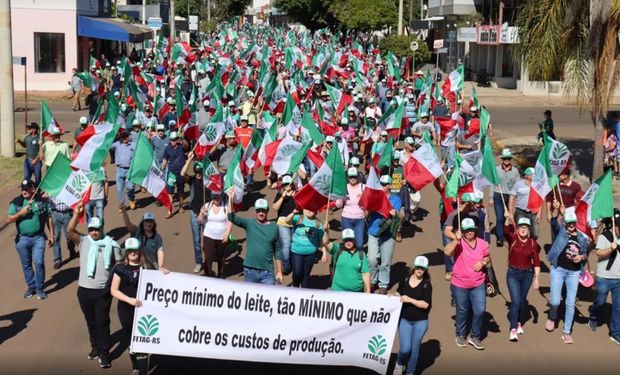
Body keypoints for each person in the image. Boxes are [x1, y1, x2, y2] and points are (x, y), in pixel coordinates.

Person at [67, 205, 122, 369]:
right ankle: (95, 347)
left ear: (102, 228)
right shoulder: (84, 241)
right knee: (90, 321)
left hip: (102, 290)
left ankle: (105, 353)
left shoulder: (112, 244)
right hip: (84, 290)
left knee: (102, 321)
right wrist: (76, 214)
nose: (94, 232)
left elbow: (118, 265)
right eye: (91, 229)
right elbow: (70, 230)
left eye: (97, 229)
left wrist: (112, 284)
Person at [109, 238, 164, 375]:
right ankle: (136, 366)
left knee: (141, 342)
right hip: (126, 310)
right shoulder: (120, 268)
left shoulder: (148, 267)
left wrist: (164, 273)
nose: (133, 253)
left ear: (140, 251)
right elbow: (114, 290)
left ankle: (142, 371)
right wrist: (130, 300)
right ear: (126, 252)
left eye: (135, 250)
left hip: (144, 311)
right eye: (130, 250)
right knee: (130, 342)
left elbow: (159, 284)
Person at [444, 217, 491, 350]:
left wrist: (483, 262)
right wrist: (455, 239)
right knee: (463, 310)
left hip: (478, 283)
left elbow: (487, 257)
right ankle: (460, 334)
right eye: (466, 230)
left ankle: (474, 336)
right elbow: (447, 252)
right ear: (462, 231)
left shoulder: (482, 243)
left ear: (475, 230)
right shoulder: (458, 243)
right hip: (459, 284)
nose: (469, 232)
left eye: (471, 229)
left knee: (480, 310)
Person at [545, 208, 590, 344]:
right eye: (569, 223)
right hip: (558, 270)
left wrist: (581, 257)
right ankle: (552, 317)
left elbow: (586, 253)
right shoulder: (561, 232)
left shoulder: (581, 237)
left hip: (574, 273)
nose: (571, 225)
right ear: (565, 223)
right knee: (555, 302)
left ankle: (566, 332)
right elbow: (554, 223)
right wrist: (557, 210)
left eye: (573, 223)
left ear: (576, 222)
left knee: (570, 303)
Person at [7, 180, 54, 300]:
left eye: (26, 188)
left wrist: (51, 235)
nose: (24, 191)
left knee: (38, 262)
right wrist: (21, 213)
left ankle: (40, 288)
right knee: (26, 264)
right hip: (22, 239)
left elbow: (49, 218)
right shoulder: (17, 202)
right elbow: (9, 219)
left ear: (33, 189)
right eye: (22, 188)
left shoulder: (42, 201)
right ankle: (31, 286)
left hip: (38, 238)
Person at [227, 195, 283, 284]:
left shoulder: (274, 227)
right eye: (258, 210)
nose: (261, 213)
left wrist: (279, 271)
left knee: (269, 296)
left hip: (267, 272)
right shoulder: (249, 223)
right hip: (250, 271)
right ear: (255, 211)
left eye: (263, 210)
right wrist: (230, 198)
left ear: (267, 210)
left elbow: (277, 251)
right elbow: (230, 217)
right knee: (249, 297)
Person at [393, 256, 432, 375]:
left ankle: (410, 372)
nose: (420, 270)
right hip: (405, 319)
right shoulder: (405, 279)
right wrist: (392, 295)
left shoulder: (427, 285)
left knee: (415, 350)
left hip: (421, 322)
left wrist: (409, 299)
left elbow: (426, 305)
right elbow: (399, 291)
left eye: (423, 268)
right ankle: (399, 364)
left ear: (426, 270)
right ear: (414, 267)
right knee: (405, 349)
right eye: (418, 267)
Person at [504, 217, 541, 342]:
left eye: (525, 227)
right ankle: (513, 329)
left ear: (529, 229)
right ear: (518, 228)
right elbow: (505, 231)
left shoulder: (532, 243)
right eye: (521, 227)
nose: (523, 229)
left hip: (527, 275)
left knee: (522, 300)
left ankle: (519, 322)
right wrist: (507, 219)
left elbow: (536, 261)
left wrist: (536, 278)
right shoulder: (513, 238)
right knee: (515, 302)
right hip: (513, 274)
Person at [367, 175, 402, 294]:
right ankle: (372, 281)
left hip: (388, 234)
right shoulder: (375, 197)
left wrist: (394, 214)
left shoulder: (396, 199)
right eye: (380, 183)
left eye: (384, 184)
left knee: (385, 261)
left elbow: (396, 214)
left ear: (390, 186)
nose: (381, 186)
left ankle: (383, 284)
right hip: (373, 231)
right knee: (372, 259)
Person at [589, 212, 620, 344]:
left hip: (619, 279)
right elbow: (599, 253)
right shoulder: (605, 236)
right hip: (604, 278)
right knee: (600, 302)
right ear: (615, 226)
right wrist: (610, 249)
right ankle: (594, 317)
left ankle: (615, 332)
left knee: (618, 306)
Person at [181, 154, 210, 273]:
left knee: (207, 241)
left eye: (200, 171)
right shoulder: (192, 180)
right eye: (196, 171)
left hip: (206, 215)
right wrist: (189, 160)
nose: (198, 173)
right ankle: (199, 262)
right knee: (197, 242)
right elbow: (182, 174)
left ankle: (208, 261)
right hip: (194, 214)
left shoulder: (208, 183)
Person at [285, 208, 326, 288]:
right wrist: (293, 213)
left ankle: (304, 292)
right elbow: (287, 220)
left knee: (306, 274)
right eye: (307, 208)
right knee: (297, 272)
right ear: (303, 209)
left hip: (311, 253)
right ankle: (295, 287)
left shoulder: (318, 224)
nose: (309, 211)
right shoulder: (298, 218)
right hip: (296, 251)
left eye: (312, 209)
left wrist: (324, 253)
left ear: (315, 212)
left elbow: (321, 241)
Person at [322, 228, 371, 292]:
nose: (348, 242)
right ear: (343, 240)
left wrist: (368, 290)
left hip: (356, 293)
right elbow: (325, 242)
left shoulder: (361, 254)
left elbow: (365, 273)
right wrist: (326, 231)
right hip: (338, 291)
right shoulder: (337, 249)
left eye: (350, 240)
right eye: (346, 240)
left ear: (354, 240)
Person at [198, 193, 232, 277]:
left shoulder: (225, 206)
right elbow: (200, 221)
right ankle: (208, 276)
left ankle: (220, 274)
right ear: (211, 197)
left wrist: (227, 234)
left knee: (221, 258)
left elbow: (230, 221)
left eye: (218, 197)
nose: (216, 199)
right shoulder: (207, 206)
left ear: (221, 196)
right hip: (208, 235)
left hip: (221, 237)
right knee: (208, 258)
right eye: (214, 197)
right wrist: (202, 214)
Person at [492, 148, 520, 247]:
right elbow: (493, 183)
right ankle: (500, 237)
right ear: (502, 159)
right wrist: (491, 197)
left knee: (508, 216)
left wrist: (518, 197)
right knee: (500, 217)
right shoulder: (496, 169)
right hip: (498, 195)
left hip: (510, 197)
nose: (506, 160)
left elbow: (518, 185)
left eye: (508, 158)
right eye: (504, 158)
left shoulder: (515, 171)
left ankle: (507, 234)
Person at [336, 167, 366, 250]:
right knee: (348, 242)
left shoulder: (363, 187)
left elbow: (369, 200)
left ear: (357, 177)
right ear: (348, 177)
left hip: (359, 219)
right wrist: (340, 197)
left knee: (359, 244)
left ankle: (358, 256)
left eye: (354, 176)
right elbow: (338, 205)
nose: (352, 179)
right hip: (346, 218)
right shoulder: (344, 188)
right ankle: (349, 260)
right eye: (350, 177)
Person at [272, 175, 297, 275]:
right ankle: (286, 265)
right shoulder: (280, 194)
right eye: (285, 184)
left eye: (289, 184)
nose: (287, 186)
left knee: (294, 245)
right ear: (282, 185)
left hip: (295, 222)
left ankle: (292, 263)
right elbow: (274, 208)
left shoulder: (297, 194)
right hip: (282, 222)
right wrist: (282, 197)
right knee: (286, 245)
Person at [162, 132, 188, 217]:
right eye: (171, 140)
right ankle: (169, 210)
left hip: (181, 173)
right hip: (171, 173)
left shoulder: (181, 147)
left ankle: (181, 206)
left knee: (180, 191)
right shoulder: (167, 148)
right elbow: (165, 160)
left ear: (177, 140)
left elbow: (187, 146)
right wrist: (161, 170)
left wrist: (182, 138)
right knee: (170, 192)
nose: (172, 141)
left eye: (174, 140)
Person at [509, 167, 540, 239]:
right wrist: (510, 212)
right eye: (533, 175)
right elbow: (511, 198)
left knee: (535, 234)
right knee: (520, 232)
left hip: (533, 212)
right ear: (527, 176)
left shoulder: (537, 185)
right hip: (520, 211)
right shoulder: (518, 184)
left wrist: (539, 213)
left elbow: (540, 199)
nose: (534, 176)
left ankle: (531, 245)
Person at [110, 132, 136, 211]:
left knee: (130, 187)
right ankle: (122, 204)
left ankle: (131, 199)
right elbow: (107, 146)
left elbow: (141, 148)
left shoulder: (133, 145)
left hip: (130, 170)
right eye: (123, 137)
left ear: (128, 137)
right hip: (119, 169)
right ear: (120, 138)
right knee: (119, 189)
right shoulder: (116, 144)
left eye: (126, 136)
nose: (125, 138)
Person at [49, 196, 76, 269]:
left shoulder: (66, 188)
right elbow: (48, 200)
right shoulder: (52, 188)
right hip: (55, 213)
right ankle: (57, 260)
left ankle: (71, 249)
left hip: (67, 214)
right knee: (56, 237)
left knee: (69, 235)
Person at [17, 122, 42, 186]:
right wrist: (20, 142)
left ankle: (37, 192)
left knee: (37, 178)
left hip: (37, 162)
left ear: (34, 129)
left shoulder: (39, 138)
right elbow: (25, 145)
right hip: (27, 161)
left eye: (29, 128)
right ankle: (26, 189)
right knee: (26, 177)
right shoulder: (27, 137)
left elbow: (41, 151)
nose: (28, 130)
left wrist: (35, 160)